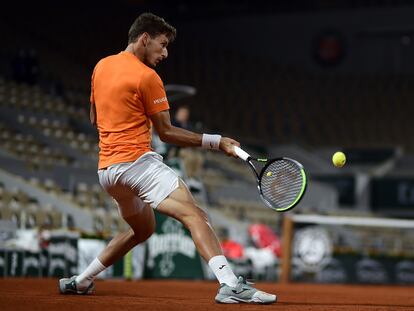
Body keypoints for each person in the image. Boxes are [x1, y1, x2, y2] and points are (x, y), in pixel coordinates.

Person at [58, 13, 276, 304]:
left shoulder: (101, 66)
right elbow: (167, 133)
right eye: (162, 45)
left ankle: (81, 280)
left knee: (143, 229)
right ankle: (229, 284)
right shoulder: (148, 77)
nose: (165, 53)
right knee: (195, 215)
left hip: (108, 173)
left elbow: (95, 117)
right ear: (144, 39)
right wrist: (216, 141)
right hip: (137, 164)